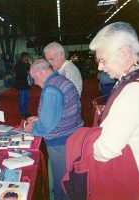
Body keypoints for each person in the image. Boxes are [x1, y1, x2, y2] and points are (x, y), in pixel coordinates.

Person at [90, 22, 139, 198]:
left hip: (136, 183)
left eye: (102, 59)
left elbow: (106, 149)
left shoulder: (132, 90)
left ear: (124, 52)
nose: (100, 67)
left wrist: (90, 146)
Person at [24, 59, 83, 200]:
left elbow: (47, 125)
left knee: (61, 179)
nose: (34, 82)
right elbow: (61, 110)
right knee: (68, 176)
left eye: (34, 78)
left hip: (61, 142)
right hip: (72, 136)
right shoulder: (60, 80)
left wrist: (31, 128)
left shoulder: (50, 89)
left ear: (40, 72)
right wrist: (40, 118)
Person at [14, 52, 30, 117]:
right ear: (24, 57)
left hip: (25, 83)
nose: (27, 58)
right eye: (27, 57)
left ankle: (24, 111)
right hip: (21, 84)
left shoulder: (24, 64)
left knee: (26, 98)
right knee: (22, 98)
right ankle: (22, 112)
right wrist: (27, 72)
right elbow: (19, 74)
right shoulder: (18, 64)